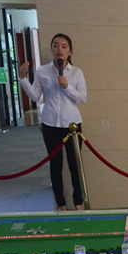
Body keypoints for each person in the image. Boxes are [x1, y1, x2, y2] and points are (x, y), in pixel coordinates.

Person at [19, 34, 87, 211]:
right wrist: (23, 78)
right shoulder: (43, 71)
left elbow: (83, 98)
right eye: (56, 46)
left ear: (70, 51)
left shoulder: (76, 72)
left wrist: (67, 86)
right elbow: (35, 95)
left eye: (64, 46)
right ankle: (61, 204)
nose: (59, 50)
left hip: (72, 125)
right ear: (52, 49)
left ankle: (78, 203)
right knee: (55, 165)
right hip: (50, 123)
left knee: (75, 165)